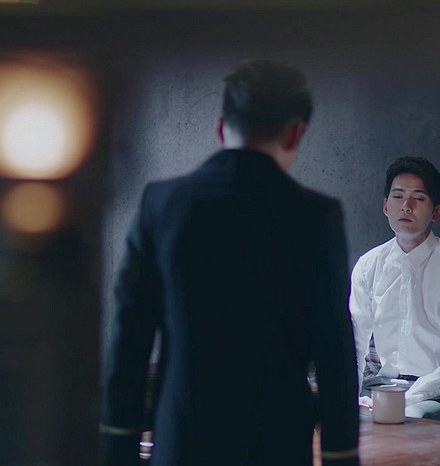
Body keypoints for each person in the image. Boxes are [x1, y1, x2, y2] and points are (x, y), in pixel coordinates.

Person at [99, 59, 359, 466]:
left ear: (221, 128)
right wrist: (340, 456)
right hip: (277, 446)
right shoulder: (315, 216)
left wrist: (118, 447)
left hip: (183, 443)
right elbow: (334, 350)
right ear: (295, 133)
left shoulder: (162, 204)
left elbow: (129, 336)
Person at [349, 156, 440, 424]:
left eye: (418, 198)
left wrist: (405, 399)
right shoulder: (368, 265)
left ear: (436, 212)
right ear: (385, 206)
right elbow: (356, 342)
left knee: (404, 420)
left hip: (439, 395)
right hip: (381, 388)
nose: (406, 206)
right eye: (398, 196)